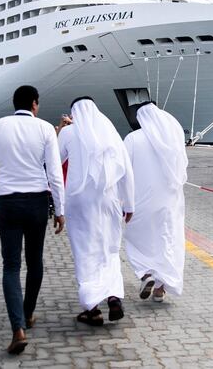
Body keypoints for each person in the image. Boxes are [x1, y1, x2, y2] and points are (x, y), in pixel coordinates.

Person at [0, 85, 66, 355]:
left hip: (8, 201)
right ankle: (27, 314)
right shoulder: (44, 129)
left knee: (11, 266)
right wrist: (60, 210)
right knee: (35, 260)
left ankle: (17, 327)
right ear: (35, 104)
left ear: (14, 102)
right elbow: (54, 173)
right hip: (37, 201)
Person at [57, 97, 134, 326]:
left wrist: (55, 202)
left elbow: (53, 162)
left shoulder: (69, 134)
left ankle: (92, 308)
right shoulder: (109, 133)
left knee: (85, 250)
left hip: (79, 202)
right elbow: (126, 170)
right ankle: (113, 296)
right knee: (109, 248)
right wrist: (129, 204)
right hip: (109, 200)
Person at [123, 102, 188, 303]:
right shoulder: (172, 140)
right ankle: (160, 289)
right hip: (168, 203)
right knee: (165, 241)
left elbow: (123, 171)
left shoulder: (133, 139)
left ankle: (146, 274)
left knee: (138, 241)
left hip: (140, 202)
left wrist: (122, 201)